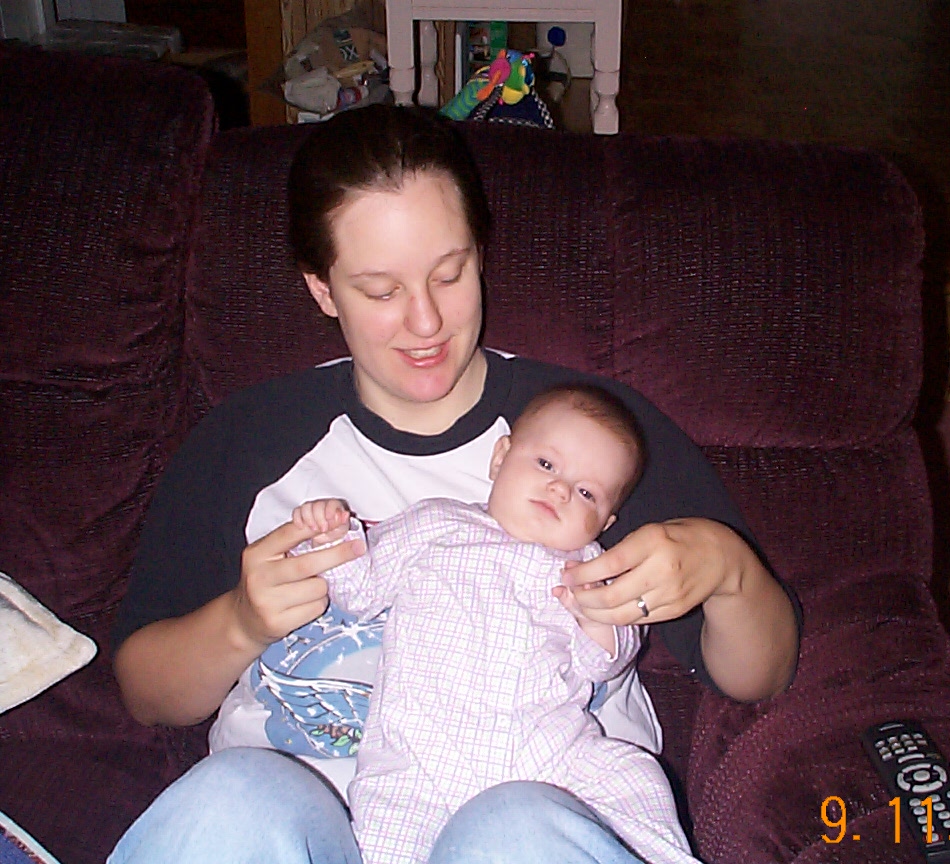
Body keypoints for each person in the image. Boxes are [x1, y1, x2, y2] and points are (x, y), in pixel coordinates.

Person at [108, 103, 801, 864]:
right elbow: (145, 691)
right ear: (323, 289)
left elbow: (760, 674)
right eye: (381, 291)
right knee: (232, 798)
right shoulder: (248, 439)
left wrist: (727, 569)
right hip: (300, 829)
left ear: (481, 253)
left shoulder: (591, 438)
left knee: (511, 827)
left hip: (534, 808)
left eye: (450, 273)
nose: (426, 321)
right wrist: (242, 623)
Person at [291, 383, 696, 864]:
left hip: (548, 760)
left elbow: (606, 661)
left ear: (604, 522)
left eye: (587, 492)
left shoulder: (590, 567)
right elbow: (359, 590)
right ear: (500, 457)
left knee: (632, 775)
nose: (560, 489)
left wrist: (597, 616)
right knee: (385, 841)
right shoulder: (435, 524)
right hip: (417, 762)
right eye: (546, 464)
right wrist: (331, 536)